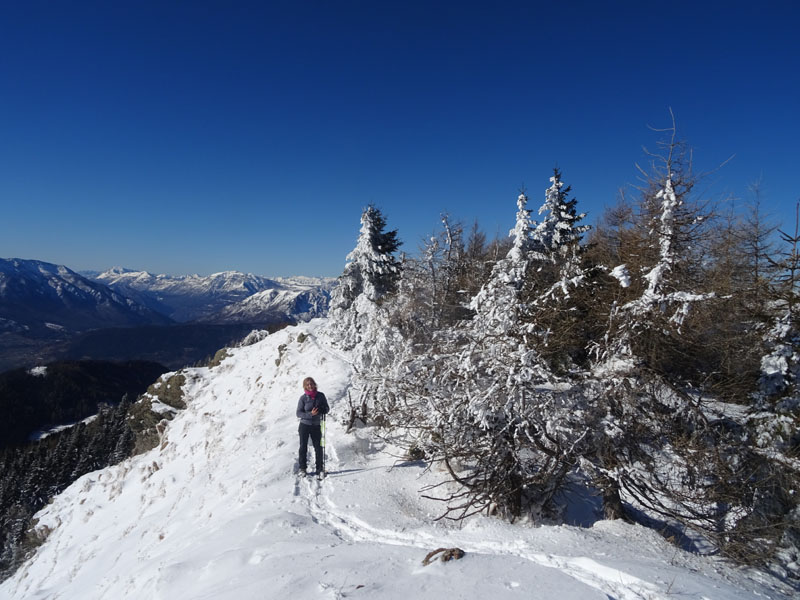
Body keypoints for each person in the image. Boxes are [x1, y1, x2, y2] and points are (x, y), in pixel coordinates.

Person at [296, 376, 329, 476]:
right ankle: (303, 468)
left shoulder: (321, 396)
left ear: (314, 384)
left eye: (311, 383)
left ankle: (319, 468)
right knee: (303, 447)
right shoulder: (303, 398)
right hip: (304, 425)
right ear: (305, 386)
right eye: (307, 384)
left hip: (316, 425)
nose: (310, 386)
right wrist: (310, 414)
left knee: (318, 447)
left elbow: (327, 408)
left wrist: (323, 409)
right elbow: (298, 413)